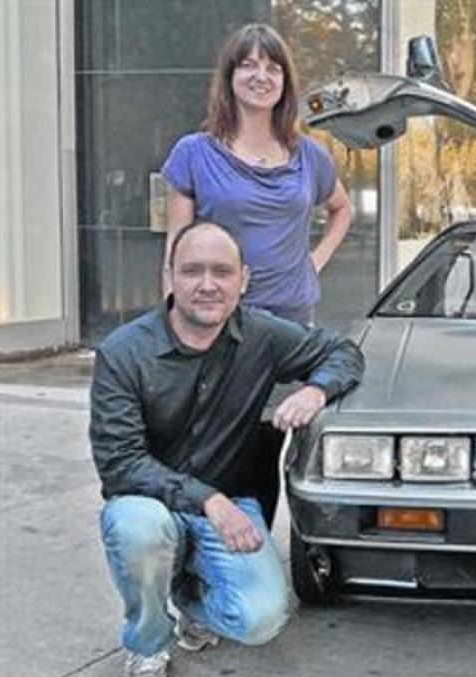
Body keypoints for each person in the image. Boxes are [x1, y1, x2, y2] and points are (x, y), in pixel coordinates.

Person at [90, 221, 365, 677]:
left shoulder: (262, 335)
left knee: (261, 619)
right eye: (192, 270)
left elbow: (343, 351)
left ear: (244, 279)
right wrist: (208, 500)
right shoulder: (123, 353)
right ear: (170, 276)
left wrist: (315, 389)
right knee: (135, 527)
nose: (207, 284)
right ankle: (148, 645)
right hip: (153, 502)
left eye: (222, 271)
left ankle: (190, 601)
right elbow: (120, 463)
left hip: (232, 504)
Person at [161, 23, 353, 527]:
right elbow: (175, 249)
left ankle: (251, 557)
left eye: (272, 66)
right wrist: (171, 330)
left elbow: (341, 210)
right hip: (217, 326)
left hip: (286, 328)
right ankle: (200, 561)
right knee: (208, 446)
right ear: (228, 77)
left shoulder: (310, 156)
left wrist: (313, 261)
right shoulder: (194, 153)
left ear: (286, 82)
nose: (260, 75)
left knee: (267, 447)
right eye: (247, 64)